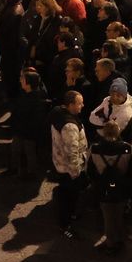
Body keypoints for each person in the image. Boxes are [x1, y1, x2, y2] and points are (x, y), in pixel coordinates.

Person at [49, 90, 88, 238]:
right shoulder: (69, 126)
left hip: (60, 164)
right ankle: (65, 225)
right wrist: (75, 173)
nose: (82, 105)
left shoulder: (58, 114)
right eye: (79, 103)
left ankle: (66, 218)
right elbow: (72, 152)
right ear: (70, 105)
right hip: (69, 170)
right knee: (68, 198)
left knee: (65, 196)